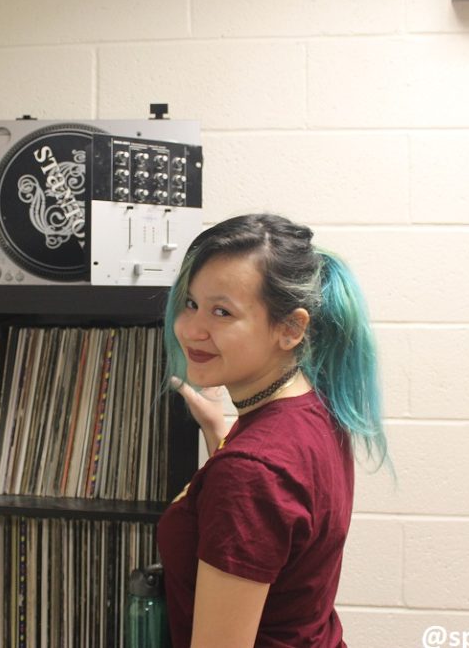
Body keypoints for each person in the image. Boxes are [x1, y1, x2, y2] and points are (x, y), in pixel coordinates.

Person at [157, 214, 388, 648]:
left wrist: (235, 458)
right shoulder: (313, 408)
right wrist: (219, 433)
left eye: (221, 311)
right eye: (190, 303)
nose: (191, 328)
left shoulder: (251, 471)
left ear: (290, 329)